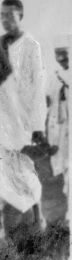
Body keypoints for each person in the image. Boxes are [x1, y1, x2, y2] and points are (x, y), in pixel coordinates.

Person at [0, 0, 47, 238]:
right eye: (2, 15)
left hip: (21, 119)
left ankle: (38, 215)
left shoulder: (31, 46)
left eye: (10, 15)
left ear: (21, 15)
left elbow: (37, 86)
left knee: (22, 168)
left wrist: (37, 125)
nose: (5, 19)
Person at [47, 34, 69, 209]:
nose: (62, 59)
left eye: (65, 54)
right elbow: (51, 111)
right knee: (66, 174)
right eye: (58, 56)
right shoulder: (56, 80)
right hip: (62, 134)